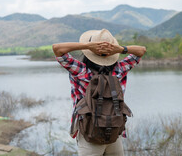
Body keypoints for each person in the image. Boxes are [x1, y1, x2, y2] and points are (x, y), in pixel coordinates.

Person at [52, 28, 146, 156]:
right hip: (114, 131)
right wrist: (120, 49)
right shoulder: (119, 70)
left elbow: (57, 49)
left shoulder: (81, 71)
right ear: (113, 52)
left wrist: (87, 46)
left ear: (89, 52)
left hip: (88, 133)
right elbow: (141, 50)